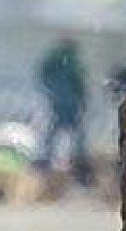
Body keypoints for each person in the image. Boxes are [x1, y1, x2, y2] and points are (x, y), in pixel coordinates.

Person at [36, 37, 90, 182]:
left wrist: (51, 93)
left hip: (57, 101)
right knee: (76, 134)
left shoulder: (52, 60)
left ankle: (45, 159)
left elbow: (43, 76)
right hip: (70, 102)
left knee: (54, 131)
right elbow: (78, 82)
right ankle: (79, 162)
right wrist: (83, 100)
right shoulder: (72, 61)